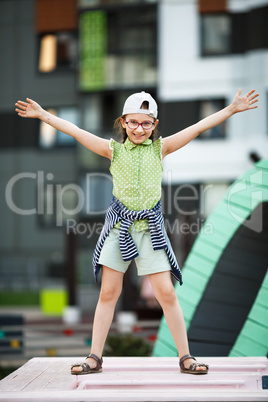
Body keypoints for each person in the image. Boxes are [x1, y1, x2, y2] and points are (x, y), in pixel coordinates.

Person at [15, 88, 259, 375]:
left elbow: (197, 127)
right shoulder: (113, 149)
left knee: (166, 293)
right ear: (123, 122)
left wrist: (231, 109)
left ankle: (186, 357)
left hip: (150, 230)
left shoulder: (161, 148)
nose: (139, 128)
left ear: (154, 125)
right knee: (108, 291)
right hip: (120, 228)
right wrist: (44, 115)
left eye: (146, 123)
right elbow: (77, 131)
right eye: (132, 122)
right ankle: (94, 356)